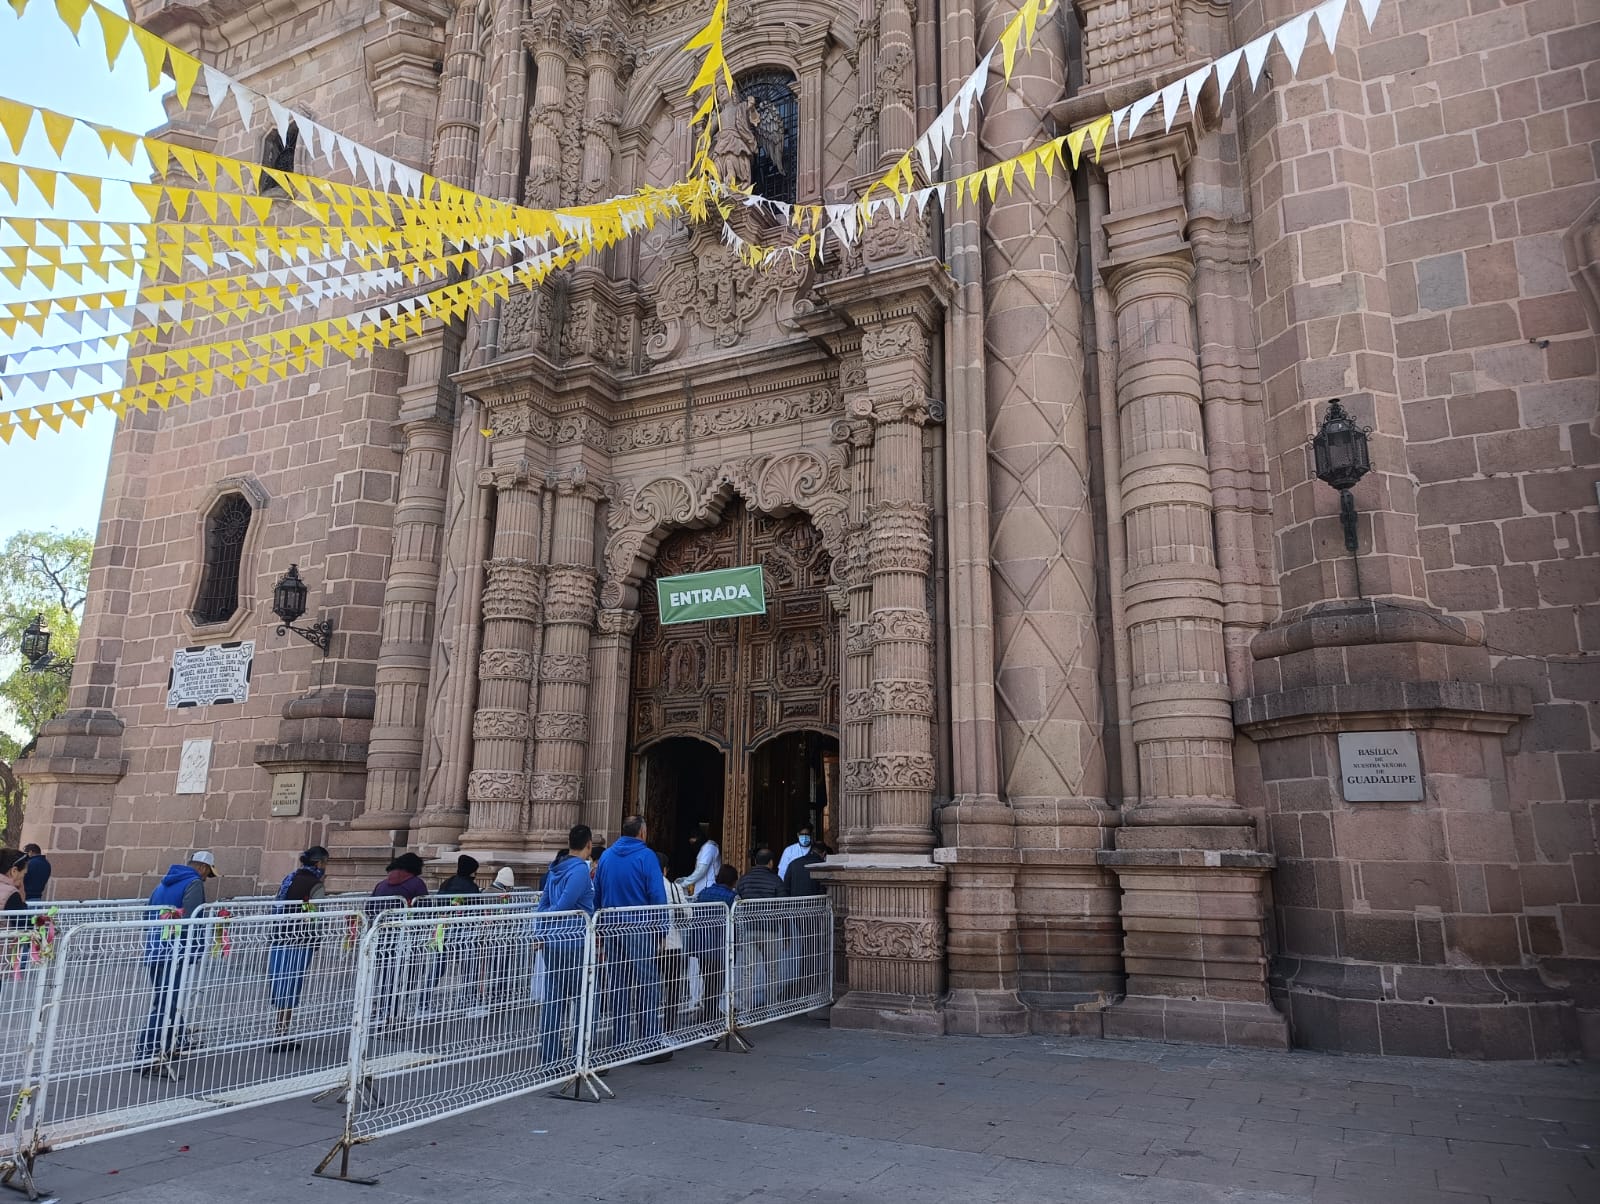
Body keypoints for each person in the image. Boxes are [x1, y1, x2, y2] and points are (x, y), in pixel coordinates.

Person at [593, 816, 670, 1063]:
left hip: (612, 926)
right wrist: (662, 928)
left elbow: (598, 892)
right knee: (648, 983)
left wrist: (598, 926)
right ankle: (650, 1041)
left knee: (618, 985)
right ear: (642, 832)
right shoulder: (646, 857)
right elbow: (657, 894)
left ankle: (620, 1041)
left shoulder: (606, 857)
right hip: (640, 927)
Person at [137, 851, 218, 1066]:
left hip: (155, 948)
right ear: (202, 867)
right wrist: (195, 947)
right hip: (177, 950)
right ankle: (146, 1051)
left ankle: (179, 1038)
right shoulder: (193, 883)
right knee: (167, 1000)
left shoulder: (163, 883)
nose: (205, 879)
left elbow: (147, 914)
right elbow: (193, 918)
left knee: (166, 997)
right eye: (207, 873)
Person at [535, 824, 595, 1066]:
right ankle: (580, 1056)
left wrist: (540, 931)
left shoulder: (555, 869)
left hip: (552, 941)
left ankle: (550, 1056)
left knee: (554, 999)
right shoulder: (580, 870)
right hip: (573, 940)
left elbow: (544, 903)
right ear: (589, 845)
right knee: (583, 998)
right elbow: (565, 904)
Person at [268, 846, 328, 1051]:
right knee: (292, 985)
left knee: (280, 982)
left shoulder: (289, 878)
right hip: (300, 939)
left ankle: (279, 1032)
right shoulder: (315, 884)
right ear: (319, 863)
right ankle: (281, 1034)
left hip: (279, 936)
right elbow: (318, 915)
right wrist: (317, 939)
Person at [734, 848, 785, 1009]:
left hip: (749, 928)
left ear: (755, 861)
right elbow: (783, 906)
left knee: (748, 970)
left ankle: (745, 1007)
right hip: (770, 929)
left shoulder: (744, 879)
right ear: (771, 863)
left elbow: (738, 897)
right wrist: (786, 934)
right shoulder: (776, 880)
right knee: (772, 969)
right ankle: (772, 1005)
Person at [693, 865, 739, 1023]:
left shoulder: (703, 893)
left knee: (707, 981)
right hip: (721, 947)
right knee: (717, 983)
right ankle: (710, 1017)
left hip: (703, 945)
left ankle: (708, 1012)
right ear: (733, 881)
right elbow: (736, 924)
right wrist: (736, 946)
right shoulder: (731, 897)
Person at [657, 851, 691, 1030]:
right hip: (672, 943)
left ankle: (650, 1025)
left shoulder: (644, 885)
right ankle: (669, 1025)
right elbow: (687, 913)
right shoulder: (673, 887)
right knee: (672, 987)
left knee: (649, 987)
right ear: (665, 869)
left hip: (651, 944)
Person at [677, 827, 720, 898]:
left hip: (708, 889)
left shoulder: (709, 847)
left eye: (694, 842)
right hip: (702, 890)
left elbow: (701, 870)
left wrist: (684, 883)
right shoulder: (703, 848)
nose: (693, 845)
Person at [0, 849, 28, 915]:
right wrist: (22, 895)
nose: (23, 877)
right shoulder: (11, 893)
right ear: (14, 871)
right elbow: (23, 921)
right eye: (24, 874)